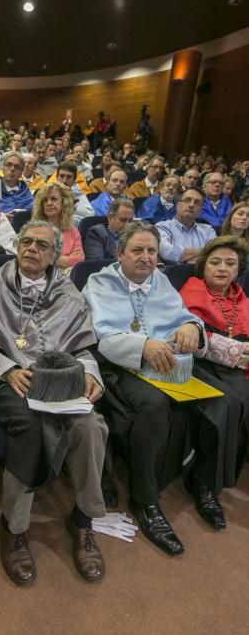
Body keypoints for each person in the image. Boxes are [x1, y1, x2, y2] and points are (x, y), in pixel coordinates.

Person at [0, 220, 133, 585]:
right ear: (17, 245)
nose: (32, 249)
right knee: (31, 426)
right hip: (15, 383)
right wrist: (7, 369)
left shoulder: (68, 294)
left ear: (55, 255)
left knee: (91, 426)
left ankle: (84, 521)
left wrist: (90, 374)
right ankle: (14, 527)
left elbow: (84, 347)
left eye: (42, 245)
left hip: (61, 380)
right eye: (26, 241)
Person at [83, 221, 245, 555]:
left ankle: (203, 484)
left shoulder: (160, 281)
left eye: (152, 251)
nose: (145, 258)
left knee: (220, 402)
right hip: (119, 367)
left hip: (165, 365)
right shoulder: (98, 283)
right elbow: (101, 336)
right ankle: (146, 500)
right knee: (154, 406)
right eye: (137, 251)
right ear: (120, 253)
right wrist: (143, 345)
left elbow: (187, 317)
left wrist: (190, 327)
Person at [179, 236, 249, 430]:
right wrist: (240, 351)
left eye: (230, 263)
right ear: (203, 267)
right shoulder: (192, 292)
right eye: (215, 262)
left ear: (238, 270)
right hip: (208, 365)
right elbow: (197, 341)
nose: (222, 268)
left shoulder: (240, 296)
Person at [31, 181, 84, 270]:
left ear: (64, 202)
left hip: (67, 276)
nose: (49, 203)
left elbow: (80, 259)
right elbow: (34, 258)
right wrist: (65, 260)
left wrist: (51, 260)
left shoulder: (73, 231)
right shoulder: (34, 230)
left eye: (53, 199)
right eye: (45, 200)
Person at [157, 187, 216, 264]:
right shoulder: (162, 227)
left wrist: (184, 257)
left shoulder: (208, 230)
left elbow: (215, 254)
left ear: (200, 210)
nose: (191, 205)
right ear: (177, 204)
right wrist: (204, 251)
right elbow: (167, 252)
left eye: (197, 202)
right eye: (187, 200)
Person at [0, 151, 33, 217]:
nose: (12, 169)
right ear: (3, 168)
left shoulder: (25, 191)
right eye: (9, 165)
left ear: (21, 172)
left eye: (17, 166)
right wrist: (1, 217)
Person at [221, 201, 249, 268]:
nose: (244, 218)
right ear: (230, 216)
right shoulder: (214, 233)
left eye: (248, 216)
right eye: (240, 214)